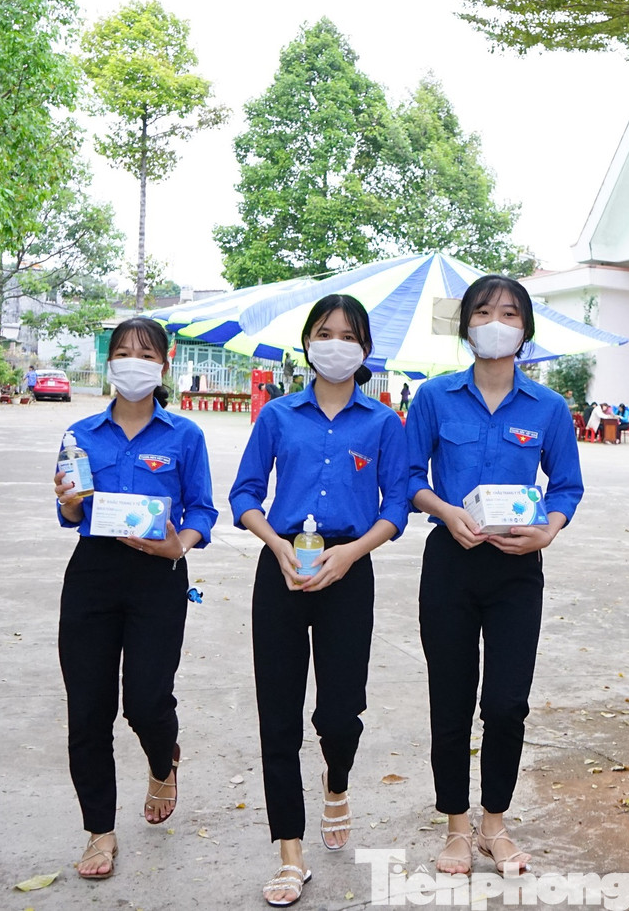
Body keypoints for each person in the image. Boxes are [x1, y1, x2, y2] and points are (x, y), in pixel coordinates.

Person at [230, 294, 409, 908]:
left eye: (348, 334)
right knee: (277, 715)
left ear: (364, 349)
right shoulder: (278, 416)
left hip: (348, 571)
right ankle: (289, 853)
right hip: (281, 568)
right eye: (324, 332)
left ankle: (337, 781)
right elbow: (246, 493)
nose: (335, 343)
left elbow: (396, 507)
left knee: (339, 712)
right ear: (307, 343)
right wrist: (277, 545)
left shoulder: (384, 422)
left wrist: (352, 553)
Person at [405, 274, 584, 878]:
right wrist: (445, 510)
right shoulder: (434, 398)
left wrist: (549, 529)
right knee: (450, 701)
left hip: (516, 570)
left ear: (526, 330)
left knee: (507, 704)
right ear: (466, 327)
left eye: (509, 313)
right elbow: (407, 477)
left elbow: (566, 485)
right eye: (483, 312)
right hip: (450, 563)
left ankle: (494, 826)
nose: (496, 322)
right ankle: (456, 827)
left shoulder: (549, 408)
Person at [51, 316, 218, 881]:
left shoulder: (184, 436)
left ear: (163, 365)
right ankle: (100, 831)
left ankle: (162, 760)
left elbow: (202, 509)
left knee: (146, 701)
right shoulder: (80, 434)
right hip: (93, 574)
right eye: (122, 352)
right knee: (89, 709)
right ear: (110, 363)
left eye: (145, 354)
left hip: (159, 574)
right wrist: (71, 503)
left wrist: (179, 544)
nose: (132, 362)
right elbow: (67, 511)